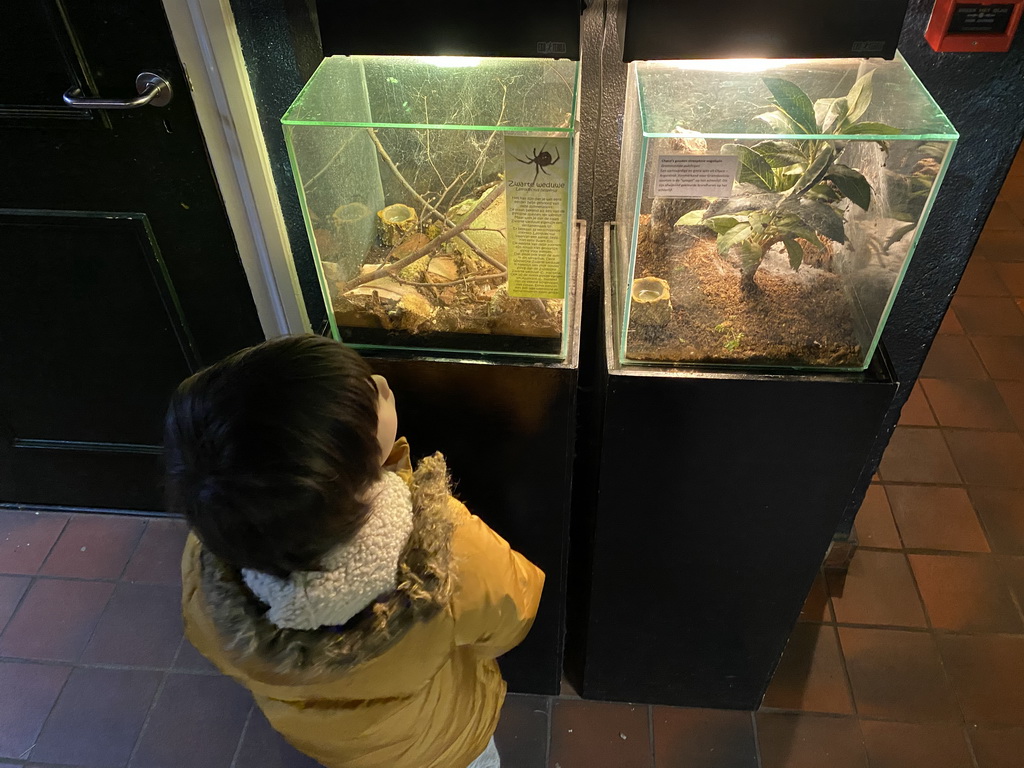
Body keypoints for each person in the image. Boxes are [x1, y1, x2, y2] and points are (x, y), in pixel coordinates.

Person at [165, 334, 544, 768]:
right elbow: (513, 615)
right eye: (367, 401)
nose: (381, 381)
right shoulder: (447, 549)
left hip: (336, 746)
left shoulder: (208, 561)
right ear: (343, 471)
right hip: (442, 741)